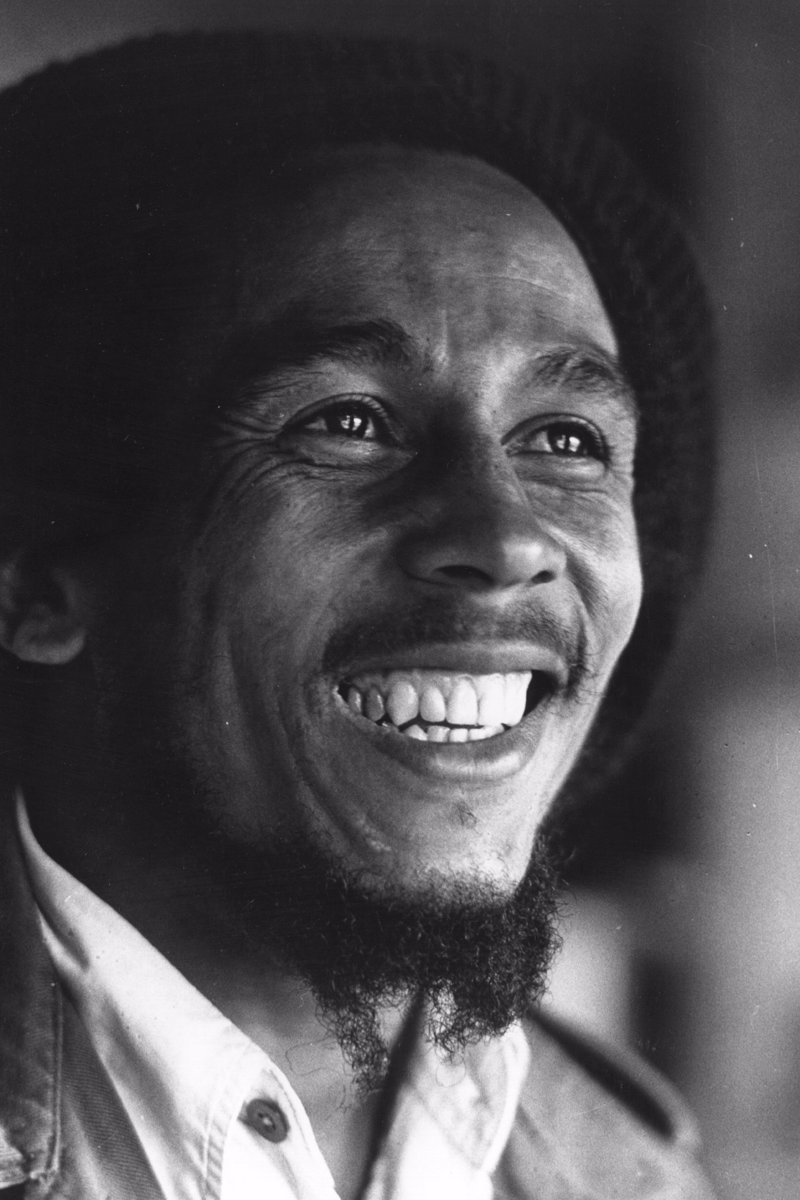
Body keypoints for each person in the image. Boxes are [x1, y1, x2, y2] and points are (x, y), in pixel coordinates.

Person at [0, 30, 716, 1200]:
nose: (506, 541)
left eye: (565, 440)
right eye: (346, 423)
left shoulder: (637, 1176)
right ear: (35, 578)